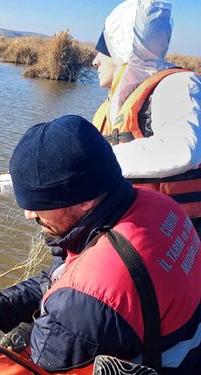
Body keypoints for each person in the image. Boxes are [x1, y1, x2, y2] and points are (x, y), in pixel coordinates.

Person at [0, 115, 201, 374]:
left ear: (84, 201)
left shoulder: (89, 298)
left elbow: (40, 365)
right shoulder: (158, 206)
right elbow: (66, 277)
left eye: (39, 205)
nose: (28, 214)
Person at [90, 0, 201, 232]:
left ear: (121, 49)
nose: (94, 61)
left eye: (103, 50)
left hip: (177, 238)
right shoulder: (110, 109)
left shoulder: (177, 85)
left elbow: (182, 151)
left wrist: (90, 164)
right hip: (133, 235)